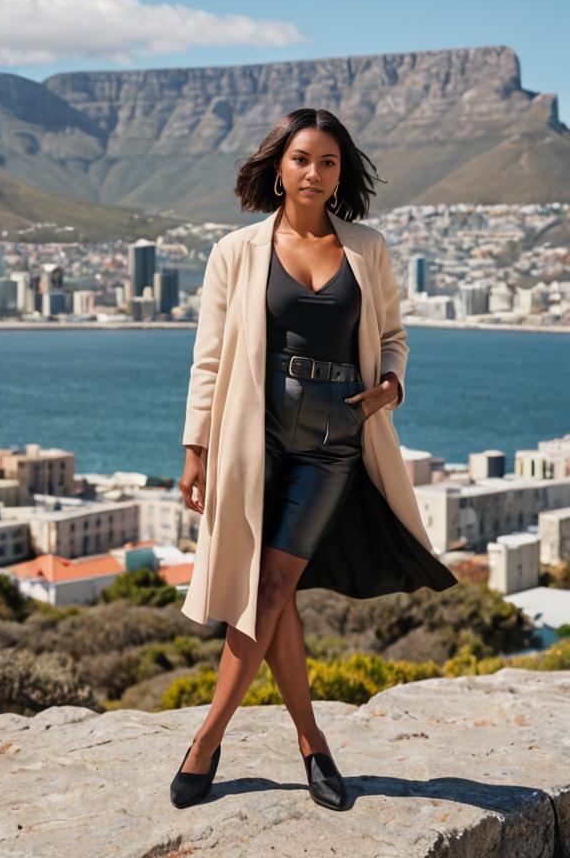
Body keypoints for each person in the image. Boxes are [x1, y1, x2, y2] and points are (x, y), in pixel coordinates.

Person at [170, 108, 458, 811]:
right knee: (269, 594)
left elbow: (393, 335)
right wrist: (195, 448)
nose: (314, 172)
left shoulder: (368, 247)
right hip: (254, 435)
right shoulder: (236, 251)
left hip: (335, 442)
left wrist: (390, 383)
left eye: (328, 161)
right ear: (278, 166)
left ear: (341, 174)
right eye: (302, 158)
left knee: (272, 587)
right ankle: (312, 744)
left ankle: (206, 741)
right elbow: (208, 359)